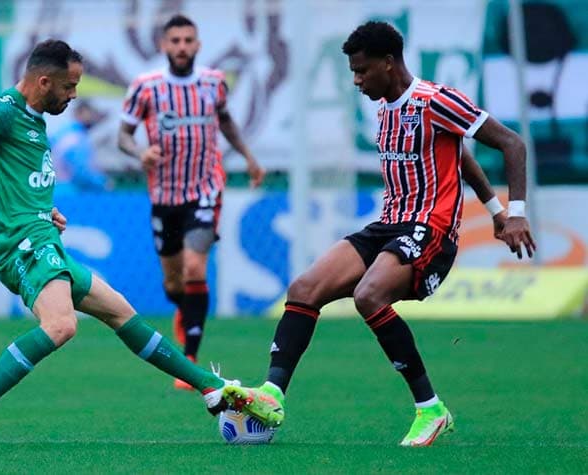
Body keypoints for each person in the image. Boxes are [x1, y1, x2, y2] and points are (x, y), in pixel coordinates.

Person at [0, 39, 275, 448]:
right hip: (22, 246)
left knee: (121, 313)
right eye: (69, 86)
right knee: (60, 326)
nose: (74, 95)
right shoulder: (3, 111)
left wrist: (35, 206)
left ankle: (210, 388)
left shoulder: (32, 122)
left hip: (40, 237)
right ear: (43, 82)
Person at [223, 21, 537, 443]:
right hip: (389, 225)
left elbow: (512, 143)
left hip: (432, 230)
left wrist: (512, 212)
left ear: (389, 64)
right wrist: (494, 209)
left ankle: (431, 409)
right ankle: (272, 394)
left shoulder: (435, 100)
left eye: (362, 70)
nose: (356, 80)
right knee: (303, 288)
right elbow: (458, 156)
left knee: (368, 296)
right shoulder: (386, 106)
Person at [117, 14, 266, 391]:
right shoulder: (146, 87)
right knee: (173, 283)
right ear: (164, 45)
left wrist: (248, 157)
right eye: (175, 41)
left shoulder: (213, 82)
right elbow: (123, 136)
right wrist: (139, 153)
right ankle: (185, 310)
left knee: (195, 269)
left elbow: (226, 121)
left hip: (205, 188)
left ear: (197, 45)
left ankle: (192, 356)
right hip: (164, 195)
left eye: (188, 40)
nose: (182, 46)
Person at [50, 99, 111, 192]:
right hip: (71, 194)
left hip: (53, 191)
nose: (94, 117)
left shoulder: (61, 134)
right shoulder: (77, 138)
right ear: (81, 113)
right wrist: (103, 183)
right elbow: (81, 172)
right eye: (91, 113)